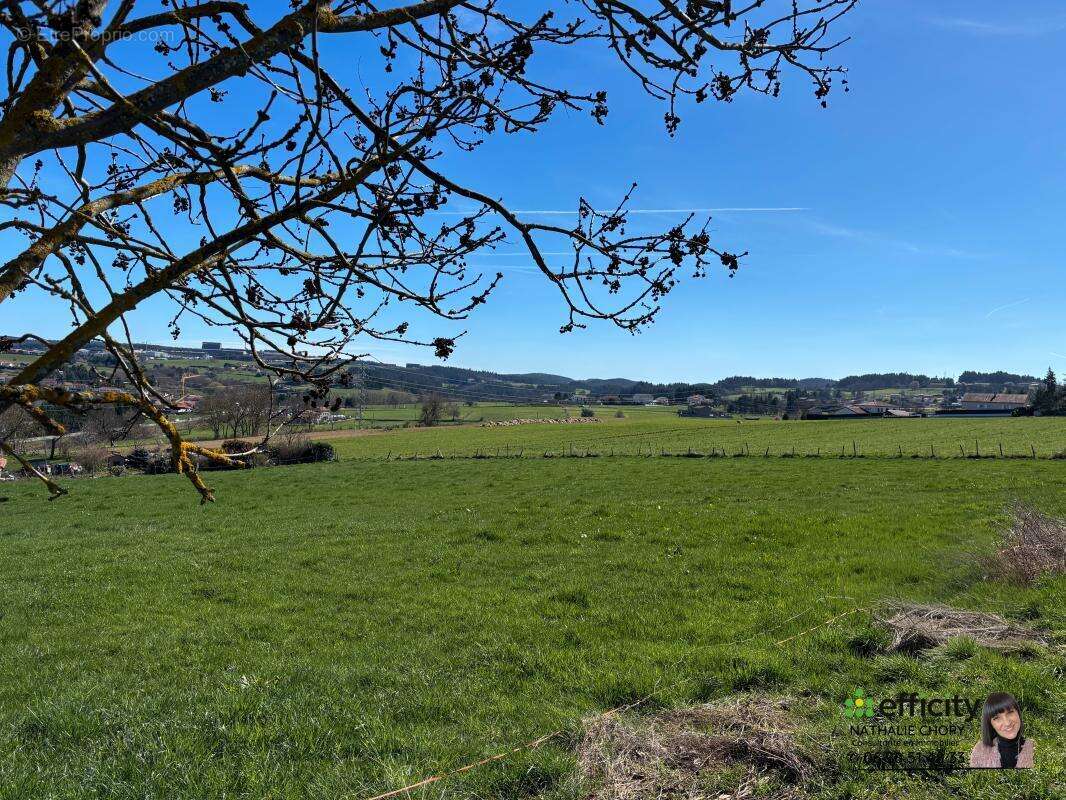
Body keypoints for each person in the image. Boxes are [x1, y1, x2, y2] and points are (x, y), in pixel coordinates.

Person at [970, 692, 1035, 768]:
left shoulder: (1034, 748)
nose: (1007, 723)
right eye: (997, 718)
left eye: (1010, 712)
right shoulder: (980, 751)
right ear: (990, 724)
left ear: (1018, 713)